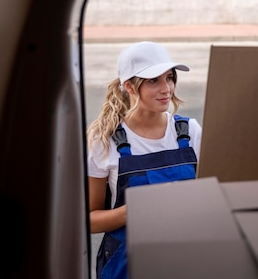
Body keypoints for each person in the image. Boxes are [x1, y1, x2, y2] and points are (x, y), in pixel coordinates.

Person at [86, 41, 202, 279]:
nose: (166, 88)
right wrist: (130, 213)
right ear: (129, 86)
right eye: (153, 81)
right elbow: (89, 219)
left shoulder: (190, 132)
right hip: (127, 266)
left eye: (169, 78)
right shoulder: (105, 142)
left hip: (185, 260)